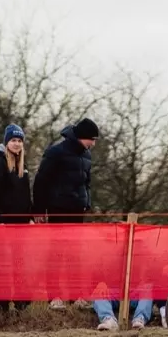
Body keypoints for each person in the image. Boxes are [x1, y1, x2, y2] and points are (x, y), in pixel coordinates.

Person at [32, 118, 98, 310]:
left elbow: (87, 183)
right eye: (91, 139)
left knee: (75, 256)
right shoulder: (56, 153)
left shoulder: (86, 157)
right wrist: (39, 210)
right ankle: (55, 296)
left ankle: (76, 295)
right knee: (56, 255)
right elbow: (41, 181)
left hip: (78, 212)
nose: (93, 144)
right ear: (81, 137)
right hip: (58, 209)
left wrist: (87, 203)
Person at [0, 124, 34, 315]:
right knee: (3, 265)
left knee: (20, 263)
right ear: (6, 142)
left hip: (21, 225)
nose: (16, 144)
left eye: (20, 141)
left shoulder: (23, 167)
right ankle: (2, 305)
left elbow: (25, 195)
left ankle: (21, 302)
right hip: (4, 225)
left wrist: (30, 216)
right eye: (13, 140)